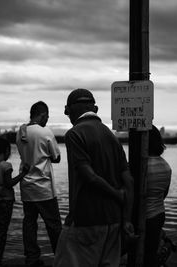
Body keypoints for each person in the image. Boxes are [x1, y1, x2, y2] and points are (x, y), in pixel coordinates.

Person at [54, 88, 134, 267]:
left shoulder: (74, 134)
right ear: (95, 110)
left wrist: (115, 193)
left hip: (85, 220)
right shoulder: (112, 137)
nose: (67, 116)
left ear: (70, 110)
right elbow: (129, 181)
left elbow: (89, 176)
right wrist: (127, 219)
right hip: (113, 221)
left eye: (67, 112)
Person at [16, 101, 62, 267]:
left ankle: (32, 258)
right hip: (44, 188)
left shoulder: (21, 132)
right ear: (42, 115)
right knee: (54, 225)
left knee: (29, 224)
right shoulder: (45, 132)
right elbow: (56, 158)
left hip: (27, 187)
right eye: (47, 116)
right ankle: (61, 258)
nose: (47, 120)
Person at [0, 137, 30, 267]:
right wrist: (23, 174)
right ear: (6, 150)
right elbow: (9, 184)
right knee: (2, 232)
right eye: (9, 150)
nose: (10, 153)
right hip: (5, 202)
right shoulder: (6, 166)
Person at [144, 125, 172, 267]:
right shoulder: (166, 166)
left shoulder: (141, 166)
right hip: (159, 214)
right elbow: (163, 194)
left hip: (144, 218)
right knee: (150, 254)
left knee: (143, 255)